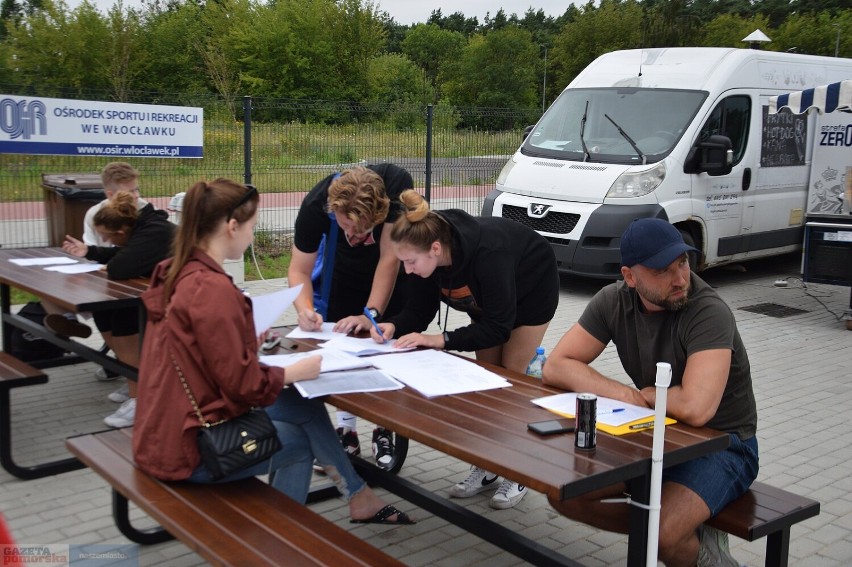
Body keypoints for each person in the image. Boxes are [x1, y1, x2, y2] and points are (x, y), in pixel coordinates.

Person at [133, 178, 414, 524]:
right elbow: (244, 385)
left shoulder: (176, 271)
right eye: (252, 226)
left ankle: (357, 497)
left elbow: (201, 352)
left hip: (161, 432)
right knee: (297, 444)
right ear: (232, 226)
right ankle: (278, 541)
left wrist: (245, 339)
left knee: (298, 404)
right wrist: (295, 372)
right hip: (189, 448)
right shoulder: (211, 288)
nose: (253, 235)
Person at [542, 218, 758, 567]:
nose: (679, 278)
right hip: (653, 432)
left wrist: (648, 395)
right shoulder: (613, 300)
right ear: (630, 277)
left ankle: (699, 553)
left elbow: (698, 408)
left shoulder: (708, 311)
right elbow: (557, 365)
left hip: (725, 444)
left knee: (663, 536)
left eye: (683, 263)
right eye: (662, 270)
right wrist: (626, 396)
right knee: (565, 494)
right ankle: (673, 528)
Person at [371, 189, 559, 509]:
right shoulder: (424, 254)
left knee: (510, 383)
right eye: (403, 262)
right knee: (485, 385)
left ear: (435, 249)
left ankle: (518, 471)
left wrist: (442, 339)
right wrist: (393, 325)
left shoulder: (489, 253)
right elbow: (418, 311)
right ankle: (487, 466)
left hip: (531, 292)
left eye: (411, 262)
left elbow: (500, 326)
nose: (408, 270)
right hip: (486, 303)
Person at [288, 164, 425, 469]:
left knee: (383, 349)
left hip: (387, 275)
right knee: (341, 347)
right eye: (346, 225)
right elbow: (299, 270)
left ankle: (383, 427)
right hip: (342, 273)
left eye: (361, 229)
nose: (353, 234)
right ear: (332, 208)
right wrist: (305, 308)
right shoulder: (315, 205)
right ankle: (346, 430)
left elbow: (389, 259)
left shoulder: (396, 186)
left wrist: (371, 314)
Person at [57, 192, 175, 428]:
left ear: (122, 232)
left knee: (123, 317)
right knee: (104, 312)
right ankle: (133, 376)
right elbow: (123, 256)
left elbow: (120, 266)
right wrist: (89, 252)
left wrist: (111, 264)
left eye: (108, 237)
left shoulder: (155, 231)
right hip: (151, 290)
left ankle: (141, 398)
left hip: (174, 297)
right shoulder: (140, 229)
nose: (108, 242)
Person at [44, 161, 149, 383]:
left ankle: (131, 374)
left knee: (121, 315)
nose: (136, 195)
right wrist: (86, 255)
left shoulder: (145, 212)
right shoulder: (94, 214)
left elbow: (141, 255)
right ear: (109, 193)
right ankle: (123, 365)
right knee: (51, 287)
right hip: (107, 278)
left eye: (136, 189)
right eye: (129, 191)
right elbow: (91, 251)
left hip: (136, 283)